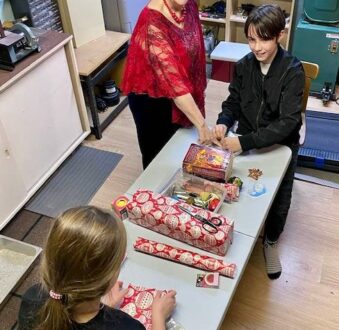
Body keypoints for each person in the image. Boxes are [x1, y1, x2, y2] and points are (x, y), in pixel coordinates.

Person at [213, 5, 305, 280]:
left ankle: (271, 241)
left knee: (280, 197)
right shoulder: (243, 66)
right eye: (251, 39)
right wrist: (223, 122)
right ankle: (236, 232)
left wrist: (244, 142)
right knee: (233, 186)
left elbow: (289, 123)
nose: (256, 46)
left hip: (280, 145)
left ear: (279, 35)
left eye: (264, 39)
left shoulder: (293, 70)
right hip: (247, 138)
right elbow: (232, 103)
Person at [18, 206, 176, 330]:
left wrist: (103, 309)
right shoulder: (126, 326)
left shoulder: (32, 298)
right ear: (108, 279)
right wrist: (158, 317)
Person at [122, 0, 211, 169]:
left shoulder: (189, 5)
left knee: (182, 152)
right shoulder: (152, 21)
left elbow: (194, 50)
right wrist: (202, 125)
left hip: (181, 92)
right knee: (158, 160)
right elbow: (174, 85)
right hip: (151, 100)